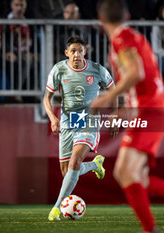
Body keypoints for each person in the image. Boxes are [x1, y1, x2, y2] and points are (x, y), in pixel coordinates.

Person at [93, 0, 164, 232]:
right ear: (127, 15)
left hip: (149, 110)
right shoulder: (135, 37)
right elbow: (144, 80)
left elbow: (136, 73)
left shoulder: (121, 39)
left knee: (124, 172)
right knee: (137, 177)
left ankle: (151, 229)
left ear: (101, 20)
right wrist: (123, 110)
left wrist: (105, 98)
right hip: (151, 108)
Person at [44, 36, 117, 221]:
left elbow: (113, 89)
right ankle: (95, 165)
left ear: (85, 51)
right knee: (67, 171)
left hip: (88, 119)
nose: (77, 54)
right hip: (68, 120)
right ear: (66, 53)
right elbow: (47, 97)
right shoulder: (59, 69)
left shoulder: (97, 69)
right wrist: (53, 117)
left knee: (75, 161)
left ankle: (56, 208)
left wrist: (115, 114)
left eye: (80, 50)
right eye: (73, 51)